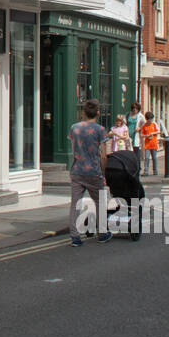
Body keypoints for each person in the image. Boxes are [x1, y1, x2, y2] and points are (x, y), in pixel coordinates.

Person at [67, 99, 112, 247]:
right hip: (93, 171)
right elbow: (104, 155)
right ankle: (103, 233)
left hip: (77, 170)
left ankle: (75, 237)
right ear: (98, 113)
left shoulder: (74, 128)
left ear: (84, 112)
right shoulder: (100, 130)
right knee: (100, 202)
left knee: (75, 204)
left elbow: (74, 147)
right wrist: (104, 174)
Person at [139, 111, 162, 176]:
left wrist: (153, 133)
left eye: (151, 119)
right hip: (147, 145)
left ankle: (155, 170)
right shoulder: (144, 126)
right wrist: (146, 136)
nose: (150, 121)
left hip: (153, 144)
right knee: (146, 158)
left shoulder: (154, 124)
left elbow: (158, 131)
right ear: (147, 119)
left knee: (154, 158)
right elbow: (142, 134)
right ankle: (146, 171)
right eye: (149, 120)